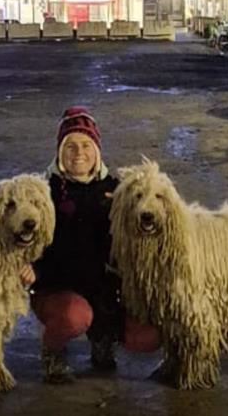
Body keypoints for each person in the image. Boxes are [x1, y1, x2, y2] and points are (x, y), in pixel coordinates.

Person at [30, 106, 159, 382]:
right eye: (71, 146)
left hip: (103, 288)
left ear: (97, 150)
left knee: (150, 335)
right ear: (59, 151)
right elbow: (21, 234)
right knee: (74, 316)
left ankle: (104, 339)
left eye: (87, 145)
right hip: (58, 287)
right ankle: (53, 352)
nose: (79, 153)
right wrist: (30, 267)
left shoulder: (117, 190)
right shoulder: (43, 192)